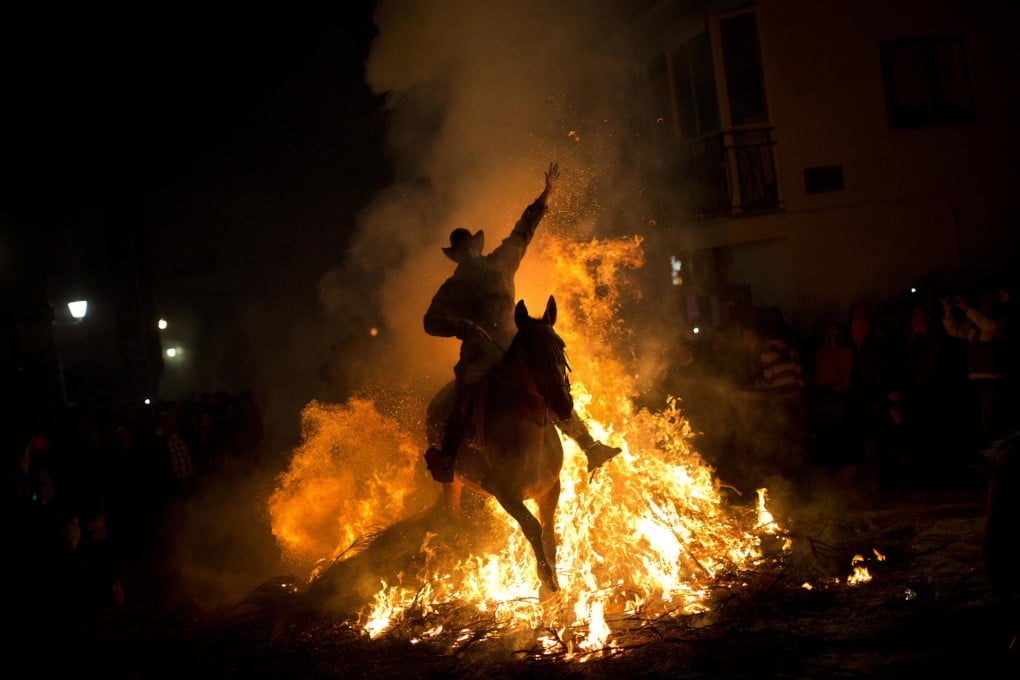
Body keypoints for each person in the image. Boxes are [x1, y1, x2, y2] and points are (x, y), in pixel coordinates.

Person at [423, 162, 621, 482]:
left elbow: (523, 231)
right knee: (466, 393)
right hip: (479, 356)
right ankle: (448, 458)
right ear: (458, 255)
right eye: (462, 249)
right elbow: (430, 321)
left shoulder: (500, 262)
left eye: (469, 245)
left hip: (514, 345)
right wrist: (466, 327)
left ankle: (590, 446)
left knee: (551, 382)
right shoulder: (454, 286)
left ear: (475, 246)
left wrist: (546, 196)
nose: (468, 251)